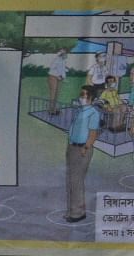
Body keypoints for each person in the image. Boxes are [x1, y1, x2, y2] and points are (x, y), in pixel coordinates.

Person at [66, 86, 101, 223]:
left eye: (85, 95)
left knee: (77, 181)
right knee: (72, 181)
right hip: (72, 148)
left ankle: (77, 213)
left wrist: (86, 147)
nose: (82, 97)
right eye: (81, 94)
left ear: (91, 98)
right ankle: (73, 211)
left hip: (82, 149)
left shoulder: (93, 113)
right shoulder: (80, 111)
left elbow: (93, 133)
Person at [49, 48, 69, 114]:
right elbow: (52, 67)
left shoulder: (63, 60)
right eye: (62, 52)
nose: (64, 53)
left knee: (57, 94)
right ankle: (51, 110)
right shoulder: (56, 59)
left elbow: (62, 69)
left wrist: (64, 76)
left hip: (59, 77)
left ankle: (54, 109)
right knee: (53, 93)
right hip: (53, 76)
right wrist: (57, 76)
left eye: (65, 52)